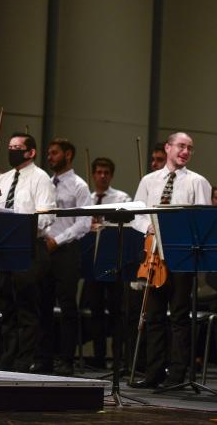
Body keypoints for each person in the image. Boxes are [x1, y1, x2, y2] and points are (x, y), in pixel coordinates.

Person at [130, 132, 211, 389]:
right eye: (180, 146)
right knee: (153, 315)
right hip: (154, 256)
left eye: (189, 148)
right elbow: (137, 214)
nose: (185, 151)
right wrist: (148, 228)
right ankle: (153, 372)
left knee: (178, 316)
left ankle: (176, 375)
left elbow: (202, 218)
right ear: (168, 148)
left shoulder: (198, 182)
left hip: (181, 256)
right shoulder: (149, 180)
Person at [0, 133, 56, 373]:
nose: (12, 150)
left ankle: (25, 362)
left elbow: (47, 216)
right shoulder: (2, 178)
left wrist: (19, 224)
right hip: (3, 250)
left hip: (29, 248)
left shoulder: (40, 178)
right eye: (9, 146)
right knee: (7, 308)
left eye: (17, 147)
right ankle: (7, 359)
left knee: (26, 310)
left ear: (30, 152)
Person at [30, 138, 91, 376]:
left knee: (67, 307)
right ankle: (43, 358)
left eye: (55, 153)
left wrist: (59, 239)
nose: (49, 157)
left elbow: (84, 223)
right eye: (48, 153)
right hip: (44, 247)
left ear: (68, 155)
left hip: (66, 250)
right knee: (42, 305)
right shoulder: (44, 182)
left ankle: (67, 360)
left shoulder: (79, 185)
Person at [83, 156, 131, 368]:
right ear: (93, 174)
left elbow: (129, 223)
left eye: (106, 173)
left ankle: (117, 358)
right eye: (99, 172)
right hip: (91, 262)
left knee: (116, 312)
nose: (102, 176)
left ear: (111, 175)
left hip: (113, 261)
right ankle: (99, 357)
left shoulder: (121, 198)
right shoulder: (87, 198)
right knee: (95, 312)